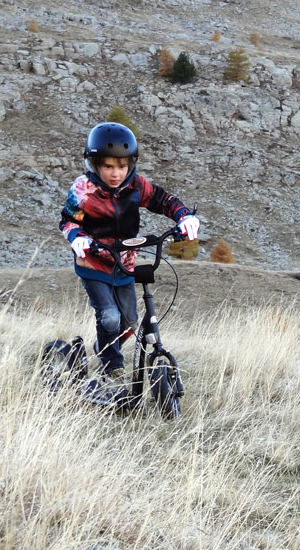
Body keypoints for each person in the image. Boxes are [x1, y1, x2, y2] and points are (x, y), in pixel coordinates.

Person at [58, 122, 200, 382]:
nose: (116, 173)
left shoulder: (136, 185)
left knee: (130, 323)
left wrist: (183, 216)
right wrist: (76, 236)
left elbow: (162, 200)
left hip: (125, 262)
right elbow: (68, 220)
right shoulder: (82, 189)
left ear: (130, 164)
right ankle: (111, 365)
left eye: (122, 166)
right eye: (109, 166)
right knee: (110, 317)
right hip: (94, 263)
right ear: (96, 164)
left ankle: (104, 351)